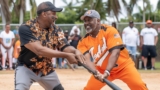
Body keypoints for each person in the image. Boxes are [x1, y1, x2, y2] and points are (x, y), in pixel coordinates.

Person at [15, 2, 85, 90]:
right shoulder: (27, 27)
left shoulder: (56, 30)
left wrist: (75, 51)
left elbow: (65, 47)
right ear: (44, 14)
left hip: (45, 68)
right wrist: (66, 55)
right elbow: (39, 50)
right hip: (26, 68)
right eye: (53, 13)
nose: (56, 16)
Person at [77, 10, 148, 90]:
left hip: (123, 67)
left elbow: (115, 53)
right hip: (101, 70)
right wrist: (95, 72)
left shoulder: (109, 30)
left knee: (139, 86)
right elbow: (87, 60)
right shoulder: (83, 41)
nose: (86, 23)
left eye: (89, 20)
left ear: (98, 21)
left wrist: (107, 72)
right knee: (89, 89)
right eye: (85, 21)